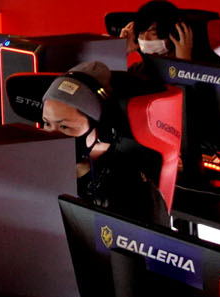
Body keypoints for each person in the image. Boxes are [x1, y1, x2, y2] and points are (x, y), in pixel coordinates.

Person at [39, 61, 166, 222]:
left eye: (65, 126)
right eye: (47, 124)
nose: (52, 135)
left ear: (101, 128)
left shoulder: (133, 189)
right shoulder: (39, 169)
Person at [119, 0, 220, 64]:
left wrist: (184, 64)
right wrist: (121, 51)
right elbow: (113, 86)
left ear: (174, 33)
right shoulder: (140, 69)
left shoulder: (204, 70)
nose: (145, 39)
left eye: (153, 33)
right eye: (141, 33)